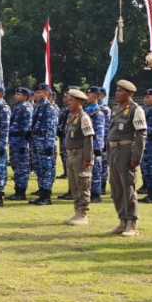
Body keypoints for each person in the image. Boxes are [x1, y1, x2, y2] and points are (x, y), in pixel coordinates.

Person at [106, 80, 147, 237]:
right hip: (114, 150)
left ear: (130, 94)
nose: (117, 93)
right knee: (116, 188)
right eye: (116, 90)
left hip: (126, 151)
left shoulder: (136, 110)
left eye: (121, 91)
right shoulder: (116, 109)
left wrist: (136, 156)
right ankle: (122, 220)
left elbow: (141, 135)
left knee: (128, 187)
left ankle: (132, 222)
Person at [63, 88, 95, 226]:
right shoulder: (71, 117)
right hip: (71, 155)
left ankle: (83, 214)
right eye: (68, 100)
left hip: (81, 155)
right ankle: (77, 211)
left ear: (79, 102)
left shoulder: (84, 118)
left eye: (71, 100)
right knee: (74, 185)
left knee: (83, 184)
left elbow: (88, 138)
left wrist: (87, 158)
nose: (68, 102)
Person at [28, 83, 59, 206]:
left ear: (46, 93)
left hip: (45, 142)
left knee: (46, 169)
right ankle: (41, 192)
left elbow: (51, 128)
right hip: (36, 141)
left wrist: (49, 145)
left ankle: (46, 195)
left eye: (39, 92)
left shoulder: (49, 108)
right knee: (38, 168)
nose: (36, 95)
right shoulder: (38, 107)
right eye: (35, 92)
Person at [7, 88, 35, 201]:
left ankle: (21, 192)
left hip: (20, 142)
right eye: (16, 94)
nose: (16, 96)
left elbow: (26, 129)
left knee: (22, 168)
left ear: (25, 97)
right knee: (16, 166)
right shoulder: (18, 108)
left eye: (19, 94)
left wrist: (24, 144)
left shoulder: (26, 109)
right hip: (14, 142)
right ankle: (17, 190)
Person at [84, 87, 107, 203]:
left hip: (94, 145)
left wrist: (98, 147)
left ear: (97, 97)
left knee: (96, 170)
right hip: (85, 144)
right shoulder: (86, 110)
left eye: (90, 95)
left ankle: (96, 194)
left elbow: (99, 131)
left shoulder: (98, 112)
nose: (87, 97)